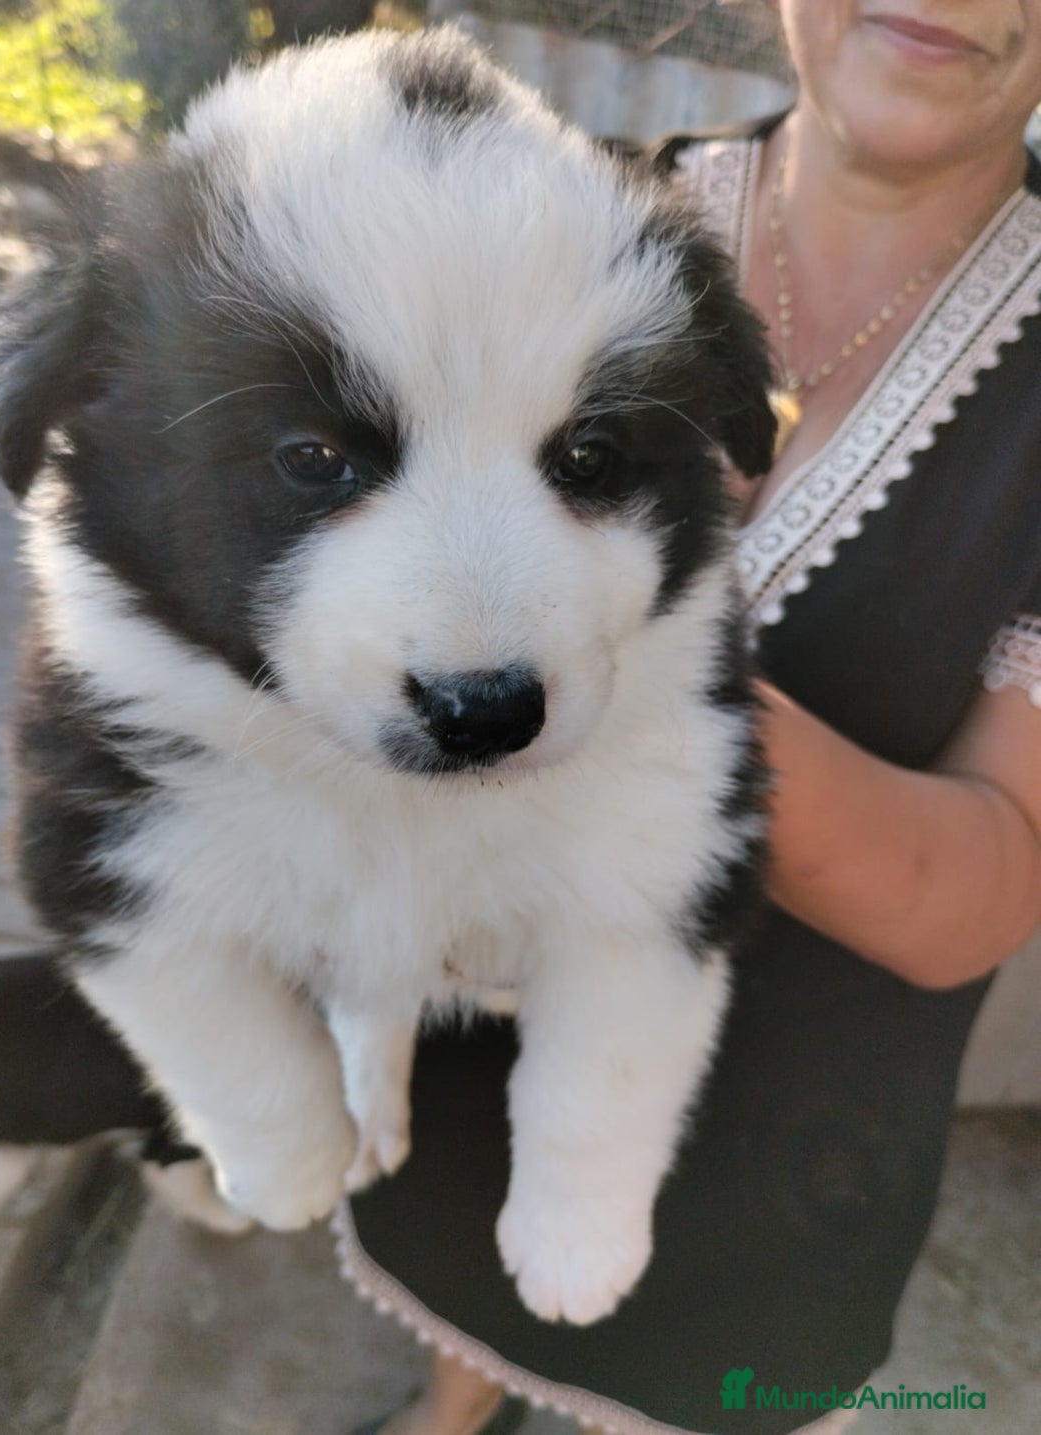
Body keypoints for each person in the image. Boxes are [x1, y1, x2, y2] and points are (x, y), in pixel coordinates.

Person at [340, 4, 1041, 1433]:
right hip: (470, 1034)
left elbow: (975, 895)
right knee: (465, 1248)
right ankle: (454, 1403)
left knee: (702, 1377)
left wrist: (639, 685)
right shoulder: (538, 223)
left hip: (782, 1130)